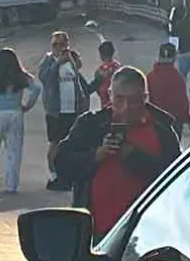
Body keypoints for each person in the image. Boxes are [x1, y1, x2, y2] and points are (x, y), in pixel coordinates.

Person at [54, 66, 181, 241]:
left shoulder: (162, 131)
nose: (126, 107)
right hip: (95, 233)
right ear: (110, 96)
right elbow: (61, 163)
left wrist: (132, 156)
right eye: (120, 99)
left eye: (134, 100)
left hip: (144, 235)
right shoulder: (90, 125)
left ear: (145, 98)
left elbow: (176, 180)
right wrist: (96, 156)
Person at [0, 48, 42, 193]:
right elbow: (36, 89)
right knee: (14, 150)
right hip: (15, 113)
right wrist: (27, 106)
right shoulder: (21, 75)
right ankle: (12, 184)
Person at [38, 30, 92, 192]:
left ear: (67, 45)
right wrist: (58, 63)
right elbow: (45, 78)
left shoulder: (72, 59)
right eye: (55, 44)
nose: (58, 48)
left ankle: (69, 176)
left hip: (73, 110)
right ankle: (55, 175)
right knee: (55, 145)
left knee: (72, 145)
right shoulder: (48, 61)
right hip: (56, 111)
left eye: (62, 44)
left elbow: (79, 81)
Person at [147, 43, 190, 135]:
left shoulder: (150, 77)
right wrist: (188, 120)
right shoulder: (178, 78)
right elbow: (182, 102)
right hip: (175, 122)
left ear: (159, 56)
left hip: (156, 122)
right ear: (174, 57)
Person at [91, 40, 121, 109]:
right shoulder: (119, 67)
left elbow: (97, 88)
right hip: (118, 104)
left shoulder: (99, 71)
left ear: (100, 54)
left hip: (105, 105)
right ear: (113, 52)